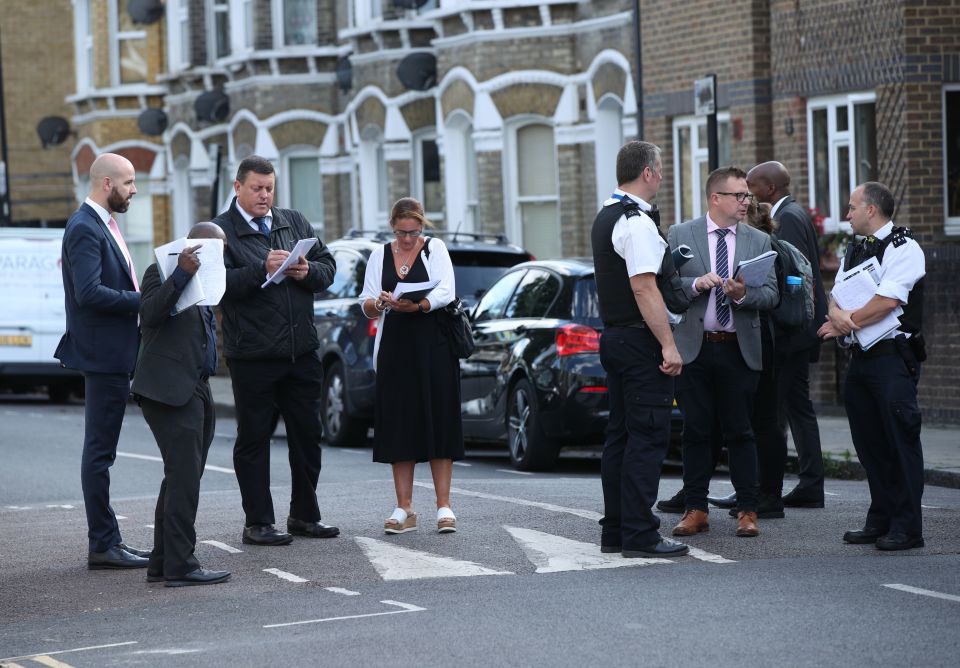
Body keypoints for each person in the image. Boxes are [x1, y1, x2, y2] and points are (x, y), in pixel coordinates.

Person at [214, 156, 339, 546]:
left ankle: (304, 515)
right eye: (257, 188)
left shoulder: (293, 221)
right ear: (238, 187)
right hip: (252, 354)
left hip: (300, 350)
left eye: (269, 188)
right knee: (254, 439)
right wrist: (259, 271)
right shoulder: (220, 231)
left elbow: (328, 266)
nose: (265, 195)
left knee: (308, 436)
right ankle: (258, 522)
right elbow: (214, 285)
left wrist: (307, 273)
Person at [667, 166, 778, 538]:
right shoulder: (680, 235)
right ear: (716, 199)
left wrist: (742, 295)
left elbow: (772, 295)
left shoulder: (758, 241)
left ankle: (748, 510)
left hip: (737, 349)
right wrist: (697, 284)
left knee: (740, 432)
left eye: (747, 195)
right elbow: (667, 289)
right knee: (696, 431)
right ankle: (696, 508)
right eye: (739, 196)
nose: (747, 202)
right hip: (694, 350)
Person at [590, 140, 689, 558]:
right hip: (638, 341)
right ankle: (640, 533)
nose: (662, 175)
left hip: (616, 337)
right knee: (647, 436)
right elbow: (644, 286)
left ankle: (615, 530)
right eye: (660, 168)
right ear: (647, 173)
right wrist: (668, 345)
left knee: (621, 437)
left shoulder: (607, 215)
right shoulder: (636, 221)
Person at [818, 182, 926, 551]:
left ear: (871, 210)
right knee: (871, 446)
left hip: (893, 360)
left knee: (900, 442)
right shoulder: (856, 248)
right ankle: (880, 518)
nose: (846, 215)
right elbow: (835, 294)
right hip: (861, 359)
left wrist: (845, 321)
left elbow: (888, 301)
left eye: (851, 208)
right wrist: (836, 315)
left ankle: (908, 526)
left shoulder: (903, 247)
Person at [55, 153, 150, 569]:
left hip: (114, 353)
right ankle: (103, 544)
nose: (134, 190)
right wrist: (144, 302)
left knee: (101, 451)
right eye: (128, 183)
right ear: (106, 183)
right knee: (99, 453)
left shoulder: (100, 225)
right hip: (104, 355)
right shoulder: (84, 227)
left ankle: (107, 542)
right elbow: (89, 292)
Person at [132, 222, 231, 587]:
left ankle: (162, 562)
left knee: (181, 477)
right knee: (184, 478)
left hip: (197, 386)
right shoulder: (161, 270)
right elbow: (152, 315)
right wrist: (181, 275)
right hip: (169, 389)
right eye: (215, 249)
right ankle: (181, 565)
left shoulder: (209, 280)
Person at [359, 197, 463, 535]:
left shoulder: (436, 249)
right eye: (402, 232)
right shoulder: (379, 255)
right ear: (392, 226)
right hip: (396, 347)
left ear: (422, 227)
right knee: (399, 423)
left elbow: (447, 290)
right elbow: (367, 303)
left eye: (414, 232)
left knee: (439, 420)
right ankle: (404, 507)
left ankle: (444, 505)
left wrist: (419, 305)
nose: (408, 239)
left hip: (433, 344)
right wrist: (380, 303)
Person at [747, 161, 828, 509]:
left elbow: (790, 275)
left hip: (792, 333)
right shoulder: (793, 212)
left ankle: (771, 487)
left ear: (769, 189)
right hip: (799, 332)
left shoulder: (788, 218)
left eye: (750, 187)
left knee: (777, 410)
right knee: (796, 406)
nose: (746, 194)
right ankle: (808, 484)